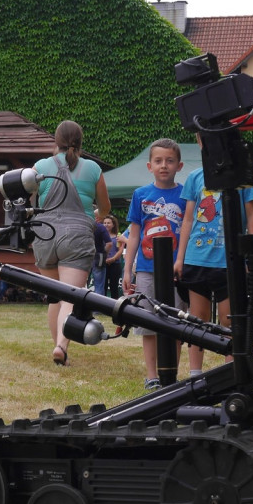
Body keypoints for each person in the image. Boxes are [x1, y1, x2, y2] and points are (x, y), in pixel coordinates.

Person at [31, 120, 110, 366]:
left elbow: (33, 203)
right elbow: (106, 209)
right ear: (81, 141)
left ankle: (60, 354)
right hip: (76, 237)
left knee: (55, 297)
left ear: (56, 141)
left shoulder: (40, 166)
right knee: (70, 297)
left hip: (44, 235)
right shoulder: (93, 169)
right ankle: (61, 346)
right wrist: (95, 216)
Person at [174, 158, 253, 377]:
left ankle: (231, 374)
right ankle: (195, 374)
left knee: (228, 320)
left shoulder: (242, 174)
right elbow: (188, 219)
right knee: (197, 319)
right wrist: (180, 258)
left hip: (229, 260)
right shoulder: (195, 177)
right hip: (197, 257)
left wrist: (251, 254)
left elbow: (252, 215)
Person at [122, 138, 187, 391]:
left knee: (176, 322)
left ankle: (173, 375)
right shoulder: (140, 195)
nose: (164, 166)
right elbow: (134, 235)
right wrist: (128, 269)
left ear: (179, 165)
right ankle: (152, 375)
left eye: (169, 161)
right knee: (147, 323)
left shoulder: (185, 196)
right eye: (158, 161)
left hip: (174, 270)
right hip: (147, 269)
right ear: (149, 166)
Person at [102, 214, 125, 298]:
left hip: (115, 264)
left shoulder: (118, 236)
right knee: (102, 287)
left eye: (108, 223)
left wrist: (113, 259)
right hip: (103, 264)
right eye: (104, 223)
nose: (106, 225)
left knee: (114, 287)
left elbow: (120, 250)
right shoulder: (100, 235)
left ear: (113, 224)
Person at [90, 210, 113, 295]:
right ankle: (98, 306)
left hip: (84, 256)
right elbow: (109, 244)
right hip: (98, 256)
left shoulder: (84, 225)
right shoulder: (100, 227)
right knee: (99, 284)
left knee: (82, 283)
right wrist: (104, 253)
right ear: (98, 217)